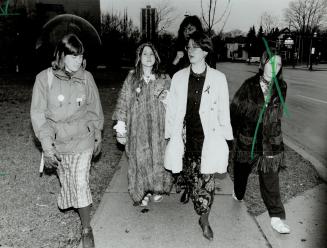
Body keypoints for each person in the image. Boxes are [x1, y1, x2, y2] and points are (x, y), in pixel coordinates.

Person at [31, 34, 103, 248]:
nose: (78, 61)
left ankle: (86, 229)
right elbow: (39, 116)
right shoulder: (44, 79)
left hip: (83, 138)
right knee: (69, 184)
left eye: (80, 56)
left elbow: (94, 109)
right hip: (59, 141)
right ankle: (74, 202)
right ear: (61, 56)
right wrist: (46, 146)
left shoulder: (86, 77)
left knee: (80, 182)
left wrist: (97, 133)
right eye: (73, 57)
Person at [164, 32, 233, 241]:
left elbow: (223, 111)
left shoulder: (218, 79)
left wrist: (227, 139)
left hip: (208, 139)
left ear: (205, 50)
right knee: (193, 181)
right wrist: (169, 136)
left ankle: (204, 219)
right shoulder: (178, 77)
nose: (190, 51)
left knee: (207, 181)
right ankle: (194, 196)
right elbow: (173, 110)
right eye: (188, 47)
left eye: (195, 47)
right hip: (185, 138)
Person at [230, 50, 290, 234]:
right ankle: (238, 192)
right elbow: (235, 111)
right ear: (263, 63)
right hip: (248, 139)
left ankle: (276, 217)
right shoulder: (248, 86)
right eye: (270, 63)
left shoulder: (282, 86)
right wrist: (237, 135)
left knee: (271, 179)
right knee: (241, 173)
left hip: (270, 142)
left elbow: (276, 114)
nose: (274, 68)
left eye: (278, 64)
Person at [112, 42, 173, 207]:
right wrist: (121, 129)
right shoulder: (131, 78)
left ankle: (156, 188)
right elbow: (123, 103)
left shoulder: (164, 78)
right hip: (137, 129)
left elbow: (174, 104)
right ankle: (142, 191)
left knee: (158, 157)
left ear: (156, 58)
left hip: (159, 129)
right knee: (140, 159)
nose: (148, 57)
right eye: (145, 54)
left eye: (151, 54)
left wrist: (165, 96)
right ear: (139, 57)